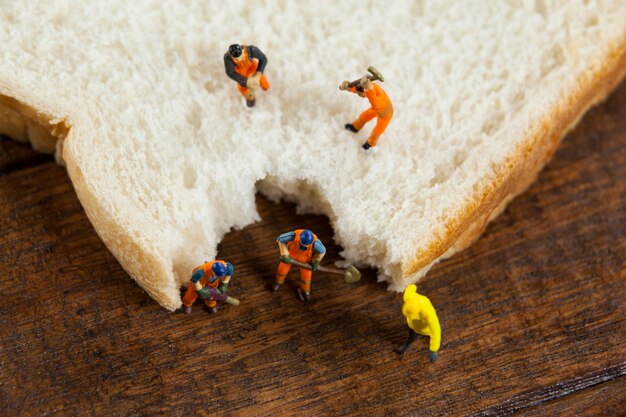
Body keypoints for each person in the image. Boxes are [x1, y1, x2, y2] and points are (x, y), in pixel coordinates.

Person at [340, 76, 393, 150]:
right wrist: (348, 87)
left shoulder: (372, 94)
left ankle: (371, 143)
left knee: (378, 130)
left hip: (385, 114)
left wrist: (368, 90)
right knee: (364, 116)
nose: (359, 96)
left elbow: (376, 104)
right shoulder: (368, 89)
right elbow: (357, 89)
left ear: (366, 89)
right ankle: (355, 127)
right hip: (375, 109)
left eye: (360, 94)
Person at [273, 229, 326, 301]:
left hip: (305, 260)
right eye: (302, 244)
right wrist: (284, 254)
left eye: (306, 245)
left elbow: (322, 251)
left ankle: (305, 291)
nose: (304, 246)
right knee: (282, 270)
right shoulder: (293, 235)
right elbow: (280, 239)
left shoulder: (316, 243)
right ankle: (278, 282)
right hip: (290, 255)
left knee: (306, 276)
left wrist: (315, 261)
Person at [396, 284, 442, 362]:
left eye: (412, 315)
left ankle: (431, 339)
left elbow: (436, 332)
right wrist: (412, 285)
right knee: (410, 337)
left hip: (424, 329)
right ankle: (404, 348)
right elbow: (410, 288)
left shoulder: (429, 316)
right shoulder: (408, 297)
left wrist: (433, 349)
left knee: (434, 334)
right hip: (413, 327)